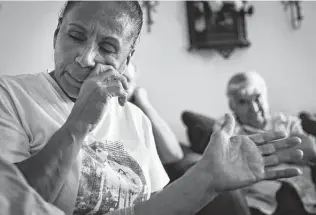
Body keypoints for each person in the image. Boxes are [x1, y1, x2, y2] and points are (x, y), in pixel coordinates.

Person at [0, 2, 305, 215]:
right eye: (76, 36)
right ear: (57, 34)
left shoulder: (135, 119)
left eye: (107, 48)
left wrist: (207, 179)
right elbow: (12, 203)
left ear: (126, 60)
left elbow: (150, 207)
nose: (86, 58)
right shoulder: (11, 96)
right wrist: (77, 124)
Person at [216, 71, 316, 215]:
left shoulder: (286, 122)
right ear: (232, 106)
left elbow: (310, 149)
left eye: (257, 98)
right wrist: (287, 149)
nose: (254, 108)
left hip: (304, 195)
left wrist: (257, 154)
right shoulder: (228, 127)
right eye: (243, 102)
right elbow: (231, 162)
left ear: (266, 95)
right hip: (263, 201)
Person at [123, 62, 184, 165]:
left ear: (134, 87)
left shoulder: (135, 116)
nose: (118, 84)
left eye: (126, 80)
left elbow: (174, 155)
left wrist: (143, 102)